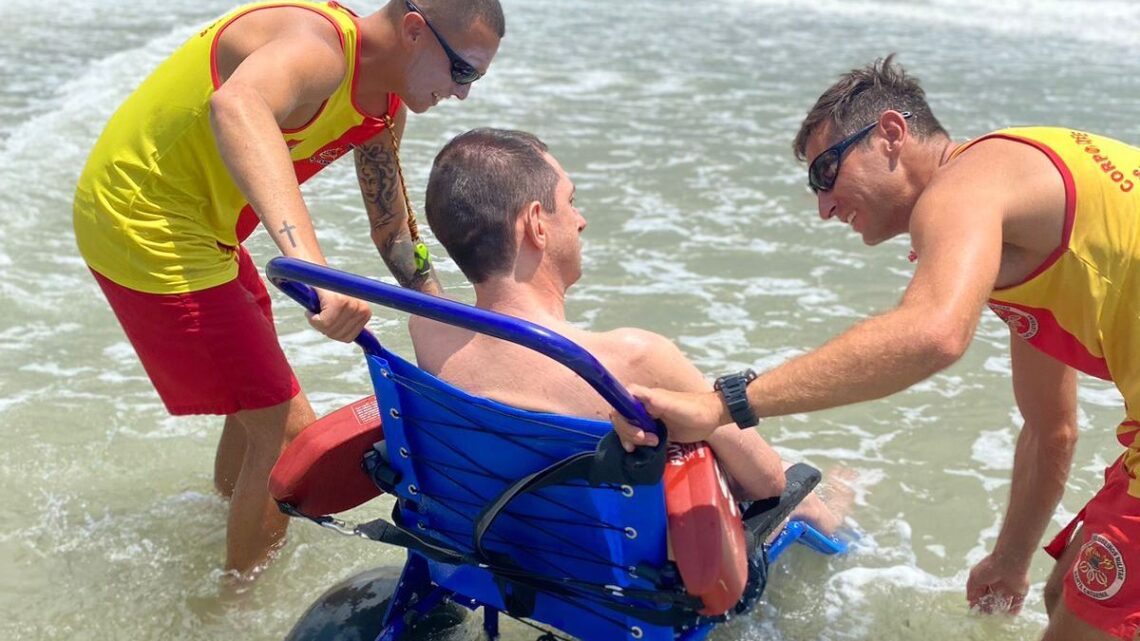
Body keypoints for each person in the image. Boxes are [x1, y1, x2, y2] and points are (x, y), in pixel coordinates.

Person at [612, 55, 1140, 640]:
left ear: (890, 133)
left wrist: (723, 405)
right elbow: (1051, 428)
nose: (824, 207)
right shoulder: (1013, 216)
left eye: (827, 172)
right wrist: (1011, 559)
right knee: (1062, 590)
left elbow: (932, 333)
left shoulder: (964, 186)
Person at [72, 0, 504, 579]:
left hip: (207, 230)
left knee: (257, 404)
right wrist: (312, 267)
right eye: (463, 71)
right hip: (143, 221)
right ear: (413, 31)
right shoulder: (318, 48)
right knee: (291, 440)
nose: (463, 94)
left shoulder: (382, 108)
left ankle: (225, 517)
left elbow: (393, 230)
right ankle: (234, 613)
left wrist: (448, 317)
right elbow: (238, 105)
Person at [409, 128, 847, 534]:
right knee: (812, 492)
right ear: (536, 224)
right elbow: (767, 481)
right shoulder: (632, 358)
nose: (580, 220)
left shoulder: (428, 331)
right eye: (570, 201)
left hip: (507, 543)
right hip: (618, 575)